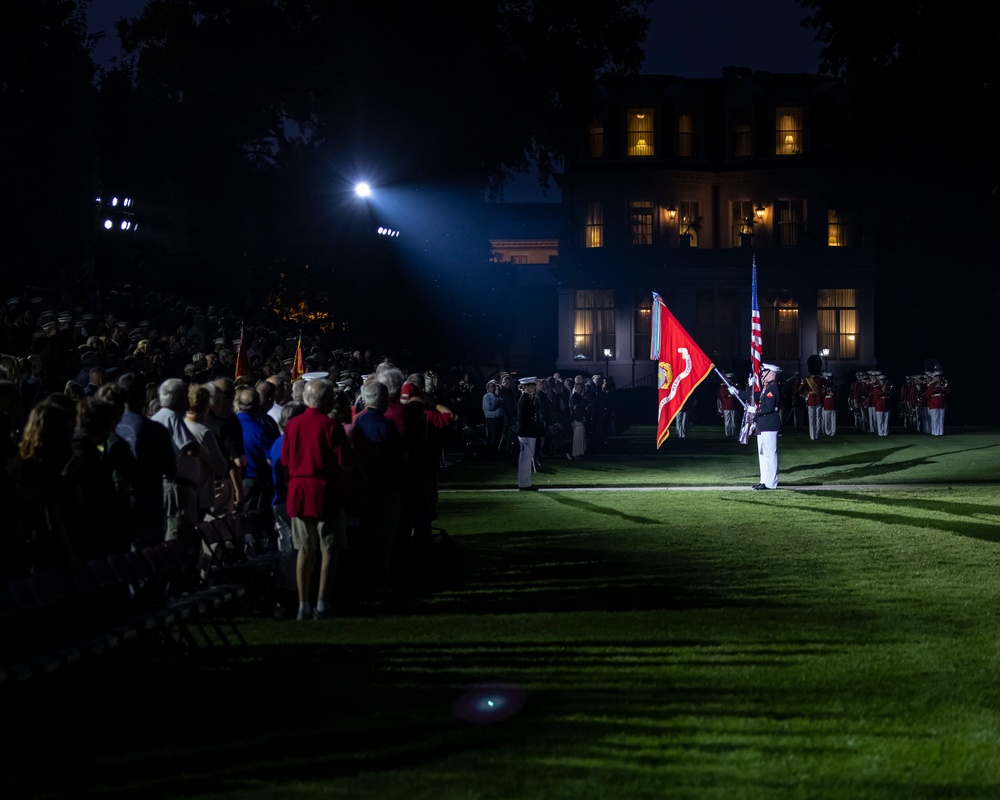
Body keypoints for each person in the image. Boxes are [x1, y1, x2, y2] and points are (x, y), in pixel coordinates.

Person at [281, 377, 355, 620]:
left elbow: (286, 461)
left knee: (304, 549)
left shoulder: (292, 425)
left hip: (299, 489)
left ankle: (303, 603)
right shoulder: (330, 426)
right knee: (329, 549)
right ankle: (322, 602)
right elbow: (346, 462)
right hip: (325, 490)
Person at [731, 362, 782, 490]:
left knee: (770, 455)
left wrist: (754, 411)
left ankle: (771, 483)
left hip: (769, 424)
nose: (762, 374)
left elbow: (768, 408)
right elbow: (752, 396)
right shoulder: (767, 388)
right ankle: (764, 480)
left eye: (765, 372)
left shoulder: (773, 388)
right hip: (763, 425)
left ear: (772, 374)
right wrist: (740, 389)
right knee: (763, 455)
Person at [515, 376, 540, 490]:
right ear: (525, 387)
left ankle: (526, 483)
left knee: (527, 458)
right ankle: (524, 484)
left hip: (529, 431)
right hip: (526, 432)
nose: (534, 387)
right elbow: (521, 418)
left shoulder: (528, 399)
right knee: (525, 458)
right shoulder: (524, 400)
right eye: (531, 385)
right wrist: (521, 434)